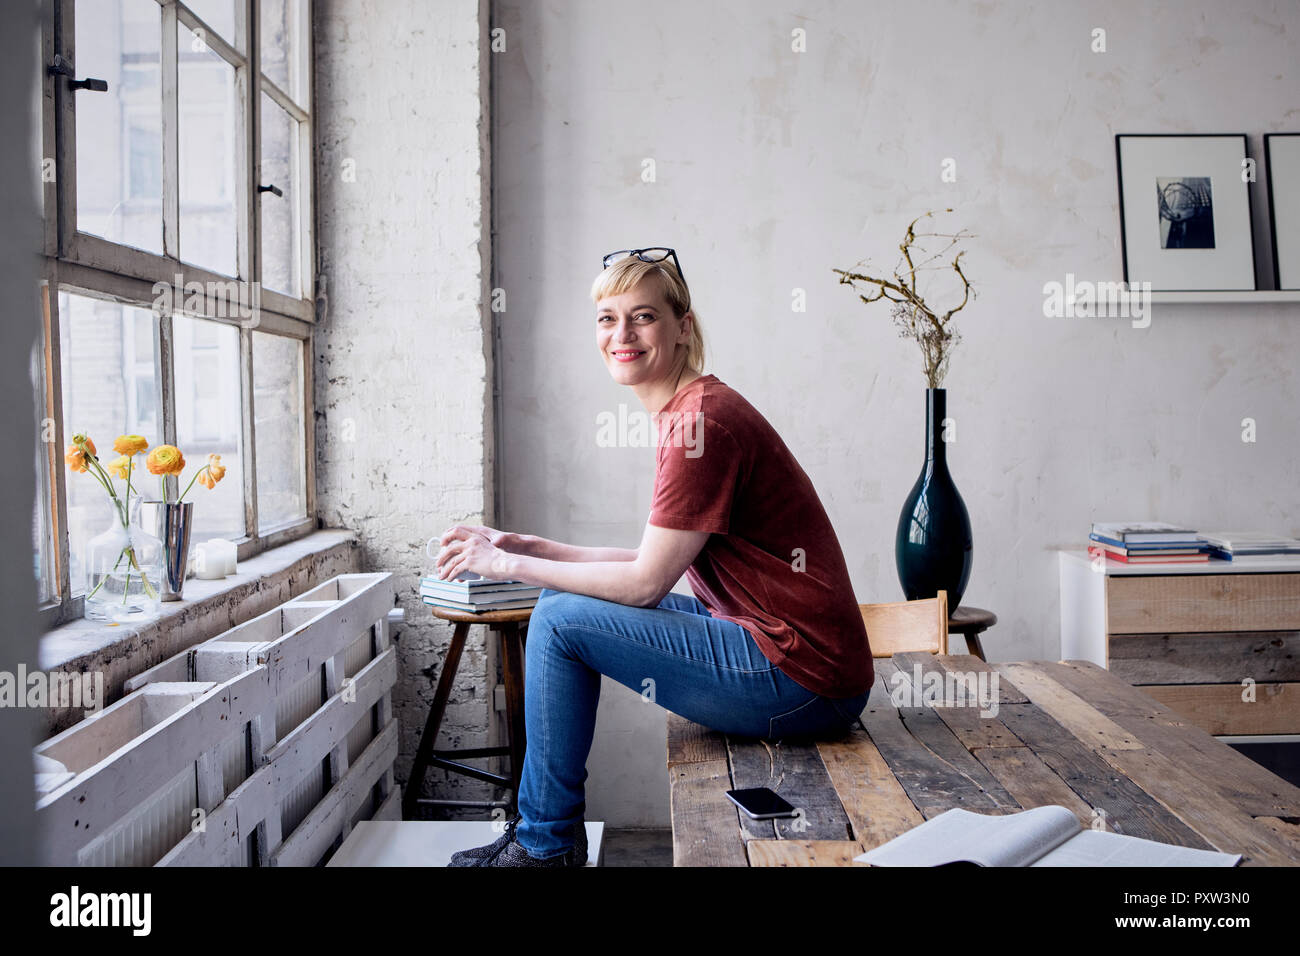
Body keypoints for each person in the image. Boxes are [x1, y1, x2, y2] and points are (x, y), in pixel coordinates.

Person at [436, 247, 873, 867]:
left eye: (642, 317)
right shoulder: (692, 412)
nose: (622, 334)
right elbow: (656, 558)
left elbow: (643, 585)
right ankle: (540, 833)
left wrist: (506, 566)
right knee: (564, 601)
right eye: (606, 318)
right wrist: (534, 547)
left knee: (559, 620)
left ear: (683, 326)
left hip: (801, 677)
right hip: (784, 654)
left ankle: (544, 847)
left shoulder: (700, 427)